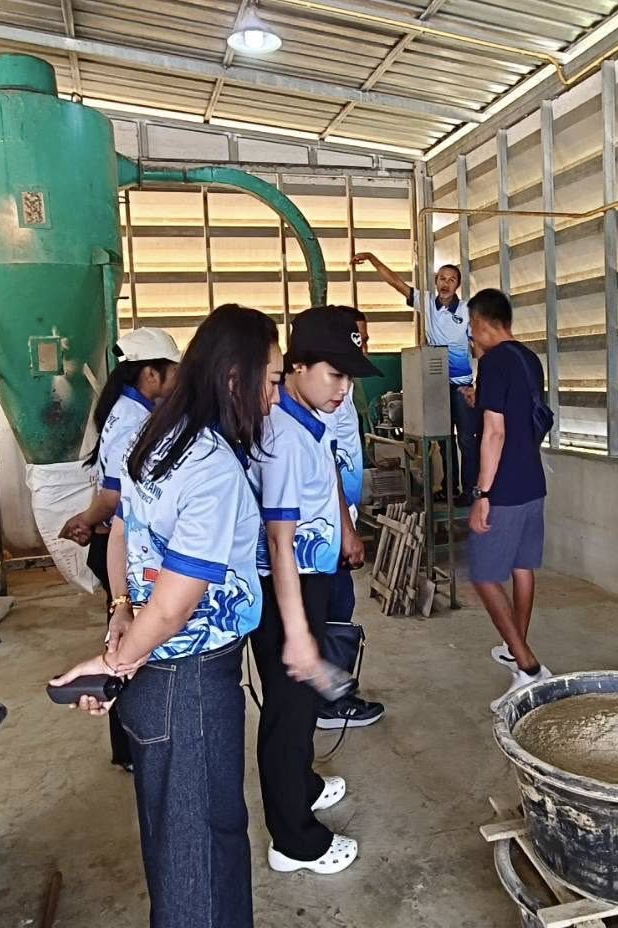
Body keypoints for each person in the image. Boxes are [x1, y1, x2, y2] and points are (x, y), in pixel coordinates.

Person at [50, 305, 299, 928]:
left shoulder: (160, 435)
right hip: (189, 681)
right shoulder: (210, 465)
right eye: (272, 381)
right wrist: (115, 660)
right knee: (201, 849)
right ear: (236, 379)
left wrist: (120, 615)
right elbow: (176, 602)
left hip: (156, 673)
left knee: (178, 840)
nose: (275, 398)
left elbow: (120, 532)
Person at [251, 305, 378, 876]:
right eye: (335, 374)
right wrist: (298, 631)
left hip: (312, 574)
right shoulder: (283, 436)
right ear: (296, 366)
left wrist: (345, 532)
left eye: (349, 376)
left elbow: (323, 490)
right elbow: (279, 541)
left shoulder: (307, 422)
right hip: (290, 585)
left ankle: (301, 783)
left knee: (301, 708)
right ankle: (294, 841)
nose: (343, 388)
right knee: (288, 711)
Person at [59, 328, 181, 772]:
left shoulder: (127, 409)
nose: (179, 380)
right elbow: (115, 496)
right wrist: (87, 520)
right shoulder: (134, 420)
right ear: (151, 374)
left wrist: (88, 519)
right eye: (172, 371)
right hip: (123, 546)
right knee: (128, 641)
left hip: (119, 540)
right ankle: (130, 747)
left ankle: (129, 745)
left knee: (126, 638)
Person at [462, 289, 552, 711]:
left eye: (471, 328)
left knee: (483, 574)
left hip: (505, 487)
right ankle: (517, 649)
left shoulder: (493, 361)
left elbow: (495, 432)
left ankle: (528, 666)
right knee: (521, 566)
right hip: (532, 480)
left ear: (481, 323)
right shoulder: (528, 358)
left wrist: (482, 494)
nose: (471, 337)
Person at [353, 252, 477, 503]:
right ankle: (449, 489)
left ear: (458, 285)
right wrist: (373, 259)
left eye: (451, 279)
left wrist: (478, 383)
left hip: (462, 386)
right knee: (443, 440)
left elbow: (479, 346)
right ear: (436, 281)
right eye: (442, 278)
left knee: (467, 439)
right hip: (437, 384)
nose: (445, 283)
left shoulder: (468, 310)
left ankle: (470, 491)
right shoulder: (427, 302)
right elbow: (396, 282)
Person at [315, 306, 385, 731]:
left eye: (365, 339)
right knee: (335, 608)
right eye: (357, 339)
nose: (364, 346)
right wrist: (347, 529)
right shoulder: (324, 395)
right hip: (328, 527)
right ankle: (330, 702)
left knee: (336, 606)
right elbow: (327, 468)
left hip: (338, 521)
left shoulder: (341, 386)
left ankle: (329, 694)